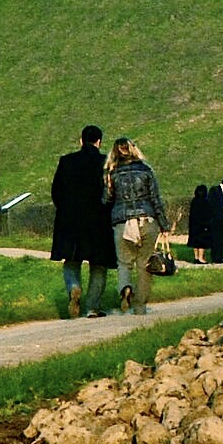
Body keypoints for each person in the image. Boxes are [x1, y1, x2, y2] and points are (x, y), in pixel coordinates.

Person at [51, 124, 117, 319]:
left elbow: (56, 192)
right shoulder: (106, 162)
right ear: (99, 142)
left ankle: (74, 287)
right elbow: (111, 192)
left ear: (81, 141)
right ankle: (93, 307)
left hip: (70, 221)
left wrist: (65, 210)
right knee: (98, 265)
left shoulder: (66, 161)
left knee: (71, 261)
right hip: (99, 221)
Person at [106, 137, 168, 315]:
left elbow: (107, 199)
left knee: (124, 263)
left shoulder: (112, 172)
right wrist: (163, 223)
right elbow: (155, 198)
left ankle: (125, 288)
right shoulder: (146, 170)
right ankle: (140, 306)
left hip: (122, 222)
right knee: (144, 264)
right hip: (147, 219)